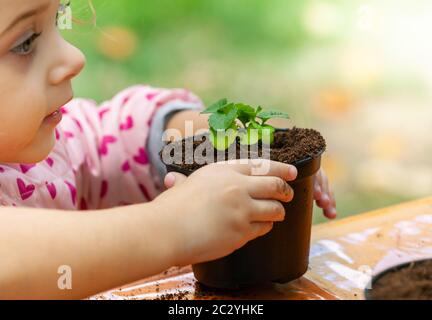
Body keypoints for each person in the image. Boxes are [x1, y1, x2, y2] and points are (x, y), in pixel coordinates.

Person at [0, 0, 336, 299]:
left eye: (57, 19)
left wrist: (208, 141)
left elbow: (105, 142)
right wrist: (172, 225)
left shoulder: (33, 155)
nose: (74, 57)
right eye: (25, 42)